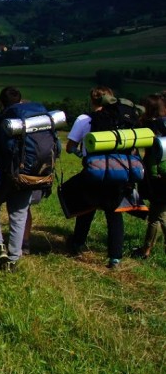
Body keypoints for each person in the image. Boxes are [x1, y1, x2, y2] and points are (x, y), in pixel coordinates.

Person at [64, 87, 134, 269]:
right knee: (115, 215)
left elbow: (70, 146)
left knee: (86, 208)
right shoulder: (122, 120)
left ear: (92, 100)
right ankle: (115, 258)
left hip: (94, 171)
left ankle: (77, 244)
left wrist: (82, 155)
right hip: (119, 172)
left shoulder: (84, 119)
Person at [0, 86, 36, 272]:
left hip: (4, 174)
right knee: (19, 215)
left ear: (0, 102)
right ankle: (13, 259)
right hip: (29, 174)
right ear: (21, 100)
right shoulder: (35, 120)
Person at [134, 93, 166, 259]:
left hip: (159, 178)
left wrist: (152, 175)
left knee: (156, 216)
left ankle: (145, 250)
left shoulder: (150, 129)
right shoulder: (164, 125)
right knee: (160, 213)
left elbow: (152, 157)